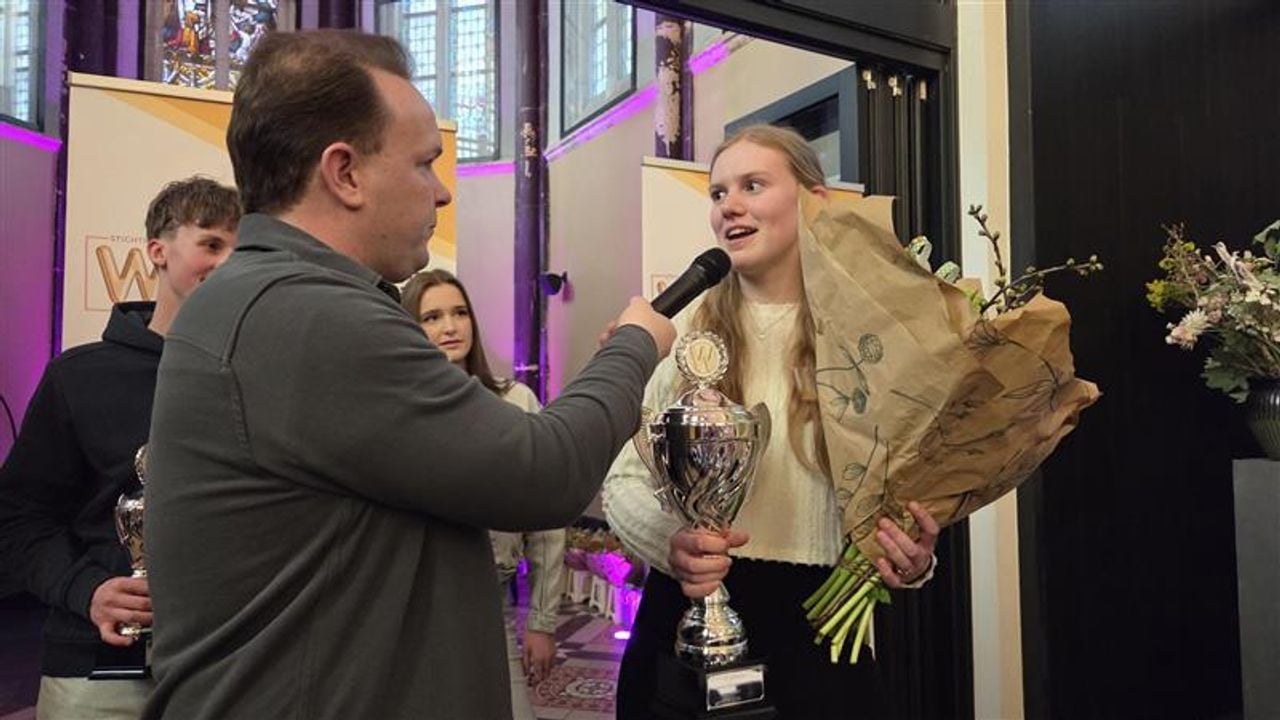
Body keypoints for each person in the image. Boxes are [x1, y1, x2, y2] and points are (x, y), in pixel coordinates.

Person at [142, 29, 674, 720]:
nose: (444, 191)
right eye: (425, 163)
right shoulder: (306, 312)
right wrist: (635, 344)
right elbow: (542, 472)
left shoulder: (276, 297)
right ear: (345, 172)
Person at [603, 124, 942, 719]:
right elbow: (623, 482)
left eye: (752, 185)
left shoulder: (869, 344)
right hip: (690, 612)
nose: (728, 206)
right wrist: (673, 546)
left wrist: (910, 556)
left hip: (819, 629)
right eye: (717, 193)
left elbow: (899, 487)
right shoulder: (683, 337)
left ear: (814, 201)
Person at [0, 176, 240, 720]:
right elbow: (16, 519)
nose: (228, 263)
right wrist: (85, 589)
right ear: (158, 250)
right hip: (100, 671)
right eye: (211, 244)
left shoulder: (263, 377)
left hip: (233, 670)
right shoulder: (78, 377)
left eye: (240, 249)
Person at [401, 269, 565, 720]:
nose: (450, 327)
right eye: (431, 317)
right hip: (413, 610)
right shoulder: (395, 411)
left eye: (459, 312)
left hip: (491, 601)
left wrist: (542, 622)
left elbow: (546, 519)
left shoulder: (515, 403)